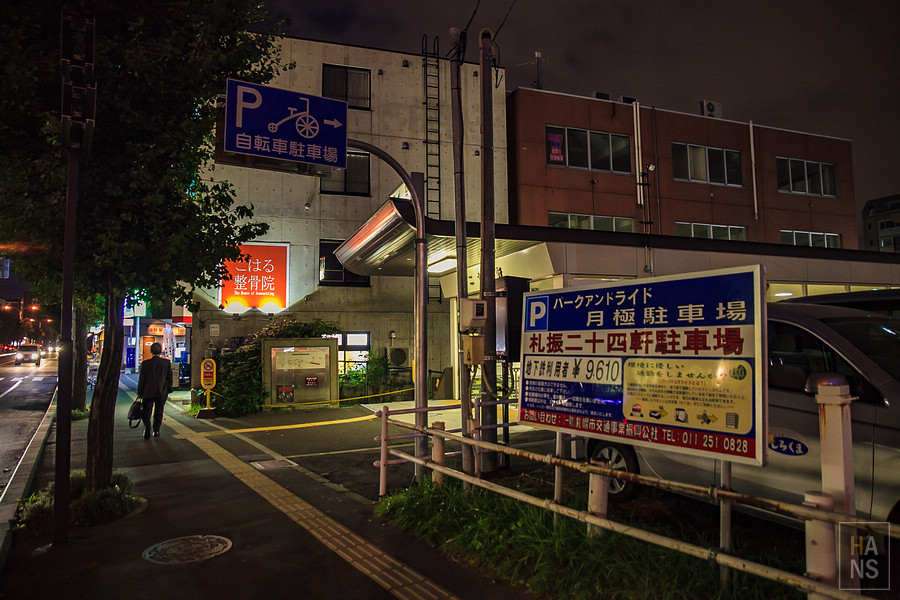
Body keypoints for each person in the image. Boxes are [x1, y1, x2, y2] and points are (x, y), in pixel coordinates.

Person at [137, 342, 172, 439]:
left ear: (151, 351)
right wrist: (168, 388)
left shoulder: (145, 364)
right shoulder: (166, 363)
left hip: (147, 392)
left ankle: (147, 427)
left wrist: (139, 393)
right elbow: (170, 377)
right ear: (161, 351)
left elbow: (142, 380)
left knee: (146, 411)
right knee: (159, 411)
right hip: (161, 391)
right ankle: (156, 430)